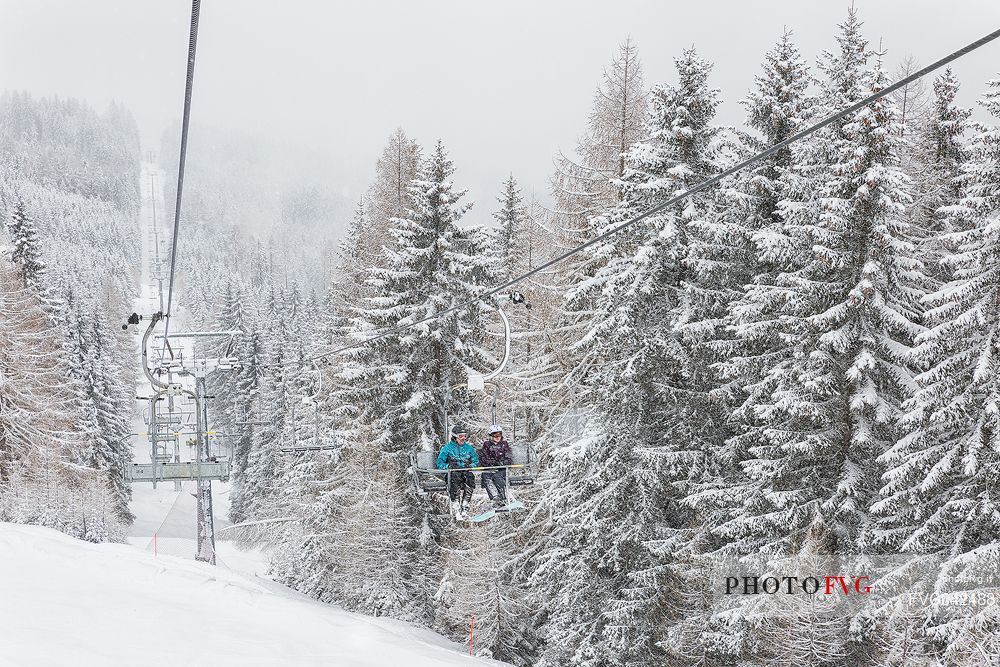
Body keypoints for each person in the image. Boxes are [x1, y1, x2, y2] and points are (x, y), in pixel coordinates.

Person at [436, 425, 479, 515]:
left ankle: (465, 504)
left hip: (465, 471)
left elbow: (476, 461)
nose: (463, 438)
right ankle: (456, 504)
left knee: (470, 478)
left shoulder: (469, 448)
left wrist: (470, 465)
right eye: (460, 436)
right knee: (454, 478)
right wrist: (449, 466)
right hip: (452, 473)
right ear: (455, 437)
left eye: (465, 436)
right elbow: (440, 463)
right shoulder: (447, 449)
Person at [479, 424, 513, 506]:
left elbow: (509, 458)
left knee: (498, 476)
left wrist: (502, 462)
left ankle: (503, 497)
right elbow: (483, 458)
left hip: (501, 469)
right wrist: (492, 462)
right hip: (490, 468)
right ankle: (495, 497)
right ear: (491, 436)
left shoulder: (504, 445)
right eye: (495, 435)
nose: (497, 437)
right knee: (485, 476)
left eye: (499, 435)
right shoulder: (487, 445)